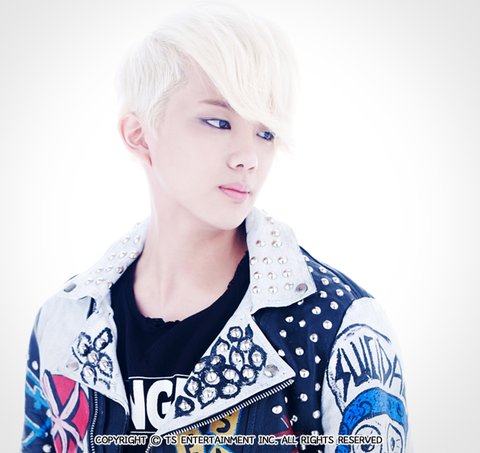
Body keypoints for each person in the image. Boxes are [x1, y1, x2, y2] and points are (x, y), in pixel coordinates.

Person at [21, 2, 409, 452]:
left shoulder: (337, 323)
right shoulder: (65, 322)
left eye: (265, 132)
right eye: (219, 121)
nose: (248, 157)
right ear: (139, 135)